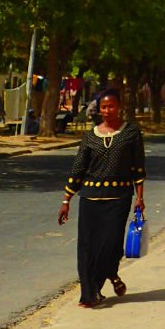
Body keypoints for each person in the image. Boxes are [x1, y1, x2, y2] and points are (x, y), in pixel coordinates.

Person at [57, 89, 146, 307]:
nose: (107, 111)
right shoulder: (91, 135)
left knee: (111, 244)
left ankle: (110, 273)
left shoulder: (131, 133)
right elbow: (78, 169)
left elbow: (138, 167)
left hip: (119, 197)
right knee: (87, 247)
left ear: (120, 106)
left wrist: (140, 198)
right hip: (90, 198)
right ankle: (90, 294)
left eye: (111, 106)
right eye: (103, 107)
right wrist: (66, 200)